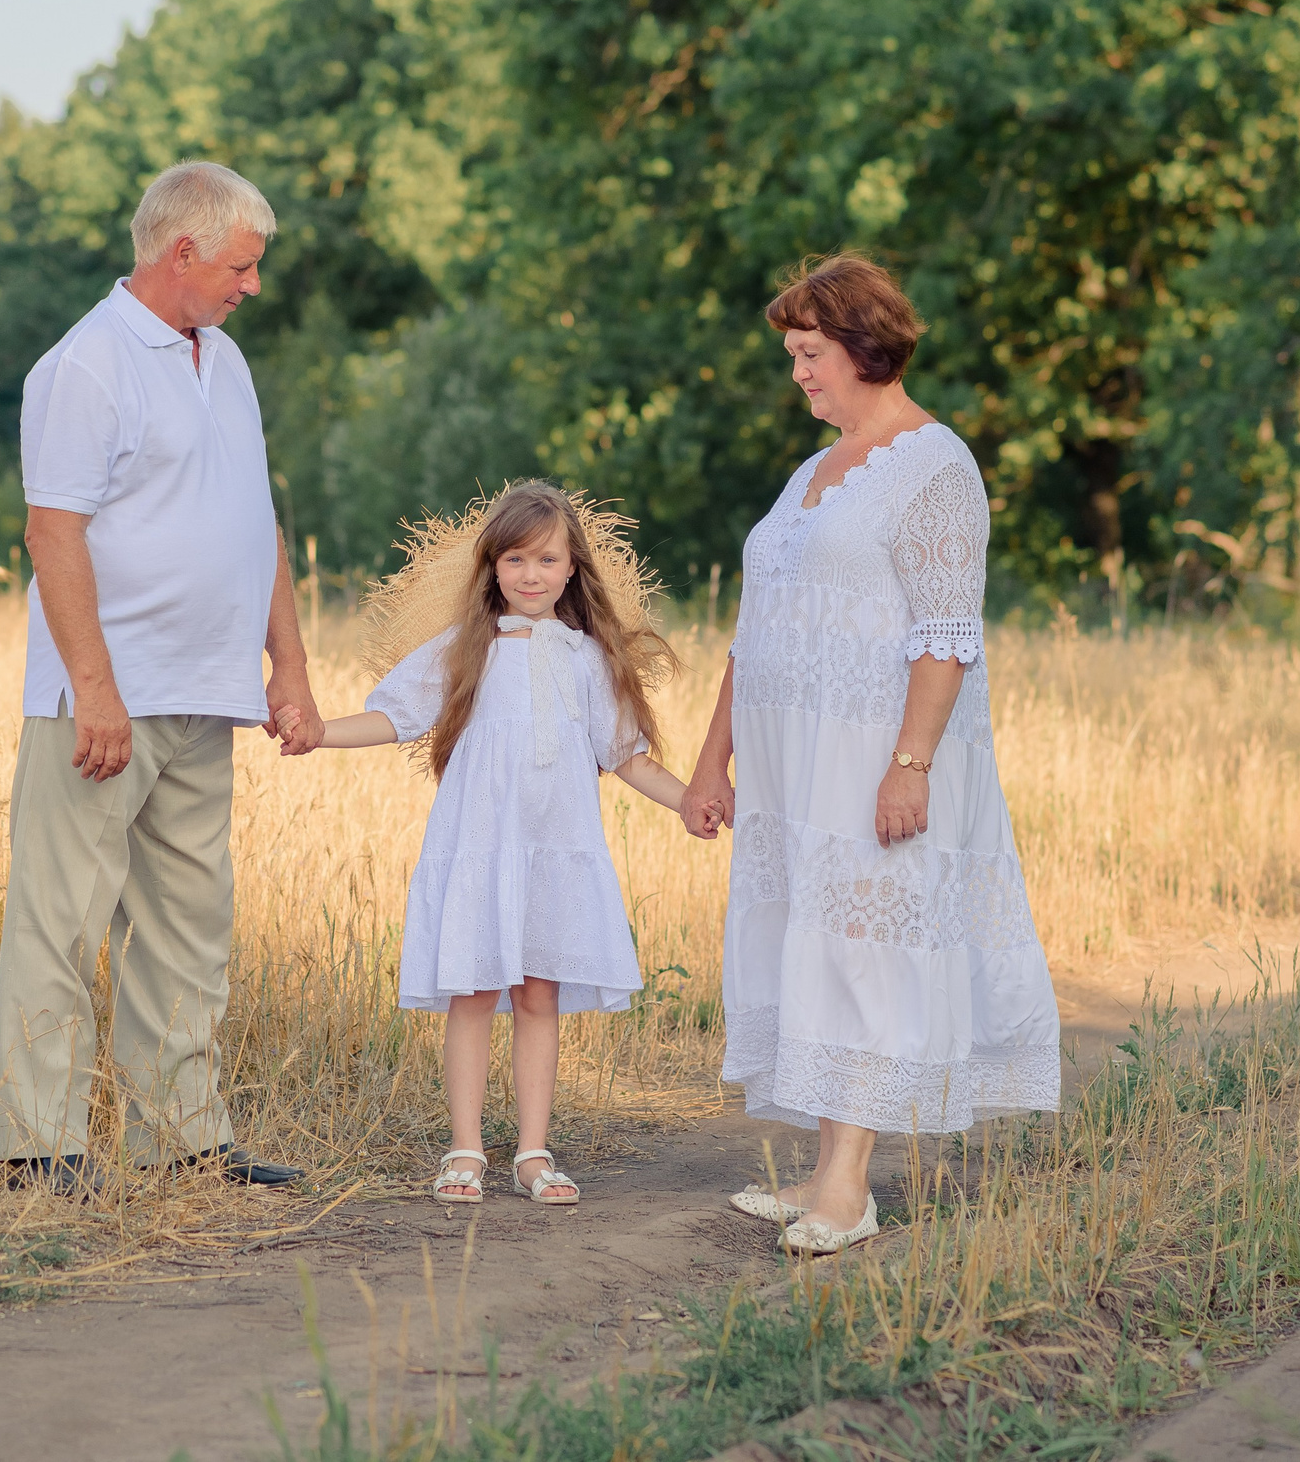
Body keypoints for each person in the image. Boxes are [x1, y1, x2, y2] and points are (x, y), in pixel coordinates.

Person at [680, 252, 1060, 1255]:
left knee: (861, 948)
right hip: (790, 760)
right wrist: (711, 758)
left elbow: (946, 632)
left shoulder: (936, 464)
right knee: (811, 939)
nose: (798, 373)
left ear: (863, 346)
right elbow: (752, 631)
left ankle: (848, 1186)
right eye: (794, 356)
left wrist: (911, 761)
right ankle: (820, 1166)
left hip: (873, 751)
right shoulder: (813, 470)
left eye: (809, 354)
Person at [0, 161, 324, 1195]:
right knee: (62, 919)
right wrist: (96, 690)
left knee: (188, 923)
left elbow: (254, 518)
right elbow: (54, 532)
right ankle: (38, 1146)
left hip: (208, 687)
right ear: (180, 252)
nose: (251, 285)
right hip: (106, 700)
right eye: (241, 264)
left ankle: (181, 1135)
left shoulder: (223, 361)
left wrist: (290, 664)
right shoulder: (84, 365)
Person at [280, 482, 688, 1206]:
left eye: (547, 558)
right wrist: (318, 733)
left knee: (538, 994)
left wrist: (692, 801)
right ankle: (464, 1148)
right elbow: (393, 717)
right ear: (492, 566)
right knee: (471, 992)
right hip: (479, 845)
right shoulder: (465, 650)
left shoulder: (590, 659)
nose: (530, 573)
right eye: (515, 558)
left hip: (551, 850)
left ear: (572, 570)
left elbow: (628, 756)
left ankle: (533, 1152)